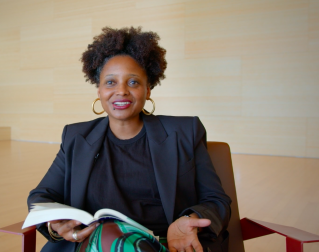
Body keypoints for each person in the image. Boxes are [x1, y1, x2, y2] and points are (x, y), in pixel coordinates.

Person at [28, 27, 231, 252]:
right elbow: (40, 198)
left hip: (168, 245)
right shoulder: (76, 138)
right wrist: (57, 225)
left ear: (148, 89)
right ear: (99, 90)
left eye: (133, 82)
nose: (121, 91)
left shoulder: (184, 132)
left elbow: (216, 200)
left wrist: (189, 221)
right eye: (111, 82)